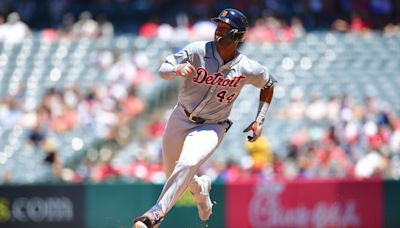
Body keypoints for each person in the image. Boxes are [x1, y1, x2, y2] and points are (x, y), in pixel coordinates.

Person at [133, 8, 277, 228]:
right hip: (180, 117)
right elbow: (163, 69)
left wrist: (260, 118)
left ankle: (156, 214)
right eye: (218, 26)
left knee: (188, 162)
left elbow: (268, 84)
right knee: (173, 173)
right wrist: (176, 69)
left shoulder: (247, 68)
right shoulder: (198, 50)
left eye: (225, 28)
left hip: (212, 126)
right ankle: (201, 191)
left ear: (237, 35)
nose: (218, 31)